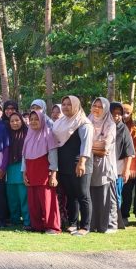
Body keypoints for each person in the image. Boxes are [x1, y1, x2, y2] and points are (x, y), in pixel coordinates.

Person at [52, 95, 93, 236]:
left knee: (83, 195)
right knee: (70, 195)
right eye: (63, 104)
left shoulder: (83, 123)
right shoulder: (60, 122)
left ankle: (85, 226)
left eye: (69, 104)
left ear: (76, 105)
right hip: (64, 164)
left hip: (79, 163)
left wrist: (82, 163)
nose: (65, 107)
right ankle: (73, 223)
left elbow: (86, 145)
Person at [22, 110, 60, 234]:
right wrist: (24, 173)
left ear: (42, 120)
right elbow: (24, 156)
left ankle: (52, 226)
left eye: (36, 119)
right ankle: (37, 226)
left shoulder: (48, 134)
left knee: (47, 200)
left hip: (44, 172)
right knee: (33, 201)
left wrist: (53, 175)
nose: (33, 121)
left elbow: (53, 157)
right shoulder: (29, 135)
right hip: (31, 171)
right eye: (31, 119)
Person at [88, 97, 118, 233]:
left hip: (105, 165)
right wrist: (95, 146)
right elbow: (81, 143)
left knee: (106, 194)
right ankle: (93, 223)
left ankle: (109, 224)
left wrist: (89, 146)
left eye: (100, 107)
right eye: (95, 105)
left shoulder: (110, 124)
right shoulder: (88, 121)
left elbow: (105, 146)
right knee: (91, 194)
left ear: (105, 109)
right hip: (90, 163)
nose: (97, 109)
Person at [110, 102, 136, 226]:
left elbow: (129, 152)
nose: (117, 116)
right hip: (102, 167)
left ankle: (116, 220)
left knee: (116, 194)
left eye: (119, 114)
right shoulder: (100, 127)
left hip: (118, 167)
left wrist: (126, 170)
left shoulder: (123, 129)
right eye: (113, 114)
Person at [6, 112, 30, 228]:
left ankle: (27, 221)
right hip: (10, 168)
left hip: (22, 167)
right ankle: (14, 219)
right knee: (12, 196)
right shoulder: (7, 135)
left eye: (17, 120)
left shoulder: (28, 134)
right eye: (12, 121)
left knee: (23, 196)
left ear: (22, 121)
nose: (14, 123)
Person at [120, 103, 136, 220]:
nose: (125, 115)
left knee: (127, 192)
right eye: (122, 112)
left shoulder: (135, 130)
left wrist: (133, 167)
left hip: (129, 165)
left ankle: (124, 215)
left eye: (128, 113)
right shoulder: (111, 126)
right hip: (115, 164)